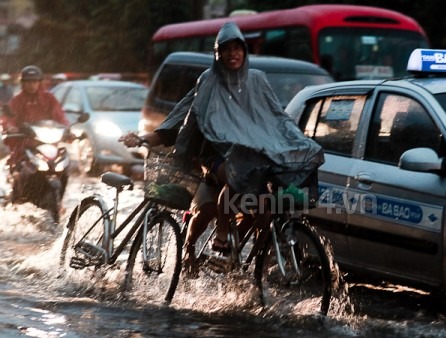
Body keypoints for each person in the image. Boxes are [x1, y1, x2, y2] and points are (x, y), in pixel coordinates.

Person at [120, 21, 323, 267]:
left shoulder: (257, 80)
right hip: (214, 158)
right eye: (226, 49)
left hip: (251, 160)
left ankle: (252, 263)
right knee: (210, 205)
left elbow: (277, 118)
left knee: (266, 209)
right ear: (218, 54)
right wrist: (145, 138)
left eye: (238, 48)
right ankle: (195, 248)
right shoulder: (208, 81)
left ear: (245, 52)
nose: (232, 54)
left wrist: (299, 143)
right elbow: (183, 118)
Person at [4, 65, 69, 200]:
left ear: (39, 82)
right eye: (28, 81)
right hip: (25, 144)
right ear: (23, 83)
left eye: (34, 81)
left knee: (65, 170)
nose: (31, 85)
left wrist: (68, 129)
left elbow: (60, 116)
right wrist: (11, 127)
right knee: (21, 170)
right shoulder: (17, 100)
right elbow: (8, 119)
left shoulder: (49, 98)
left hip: (48, 143)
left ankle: (59, 201)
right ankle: (18, 196)